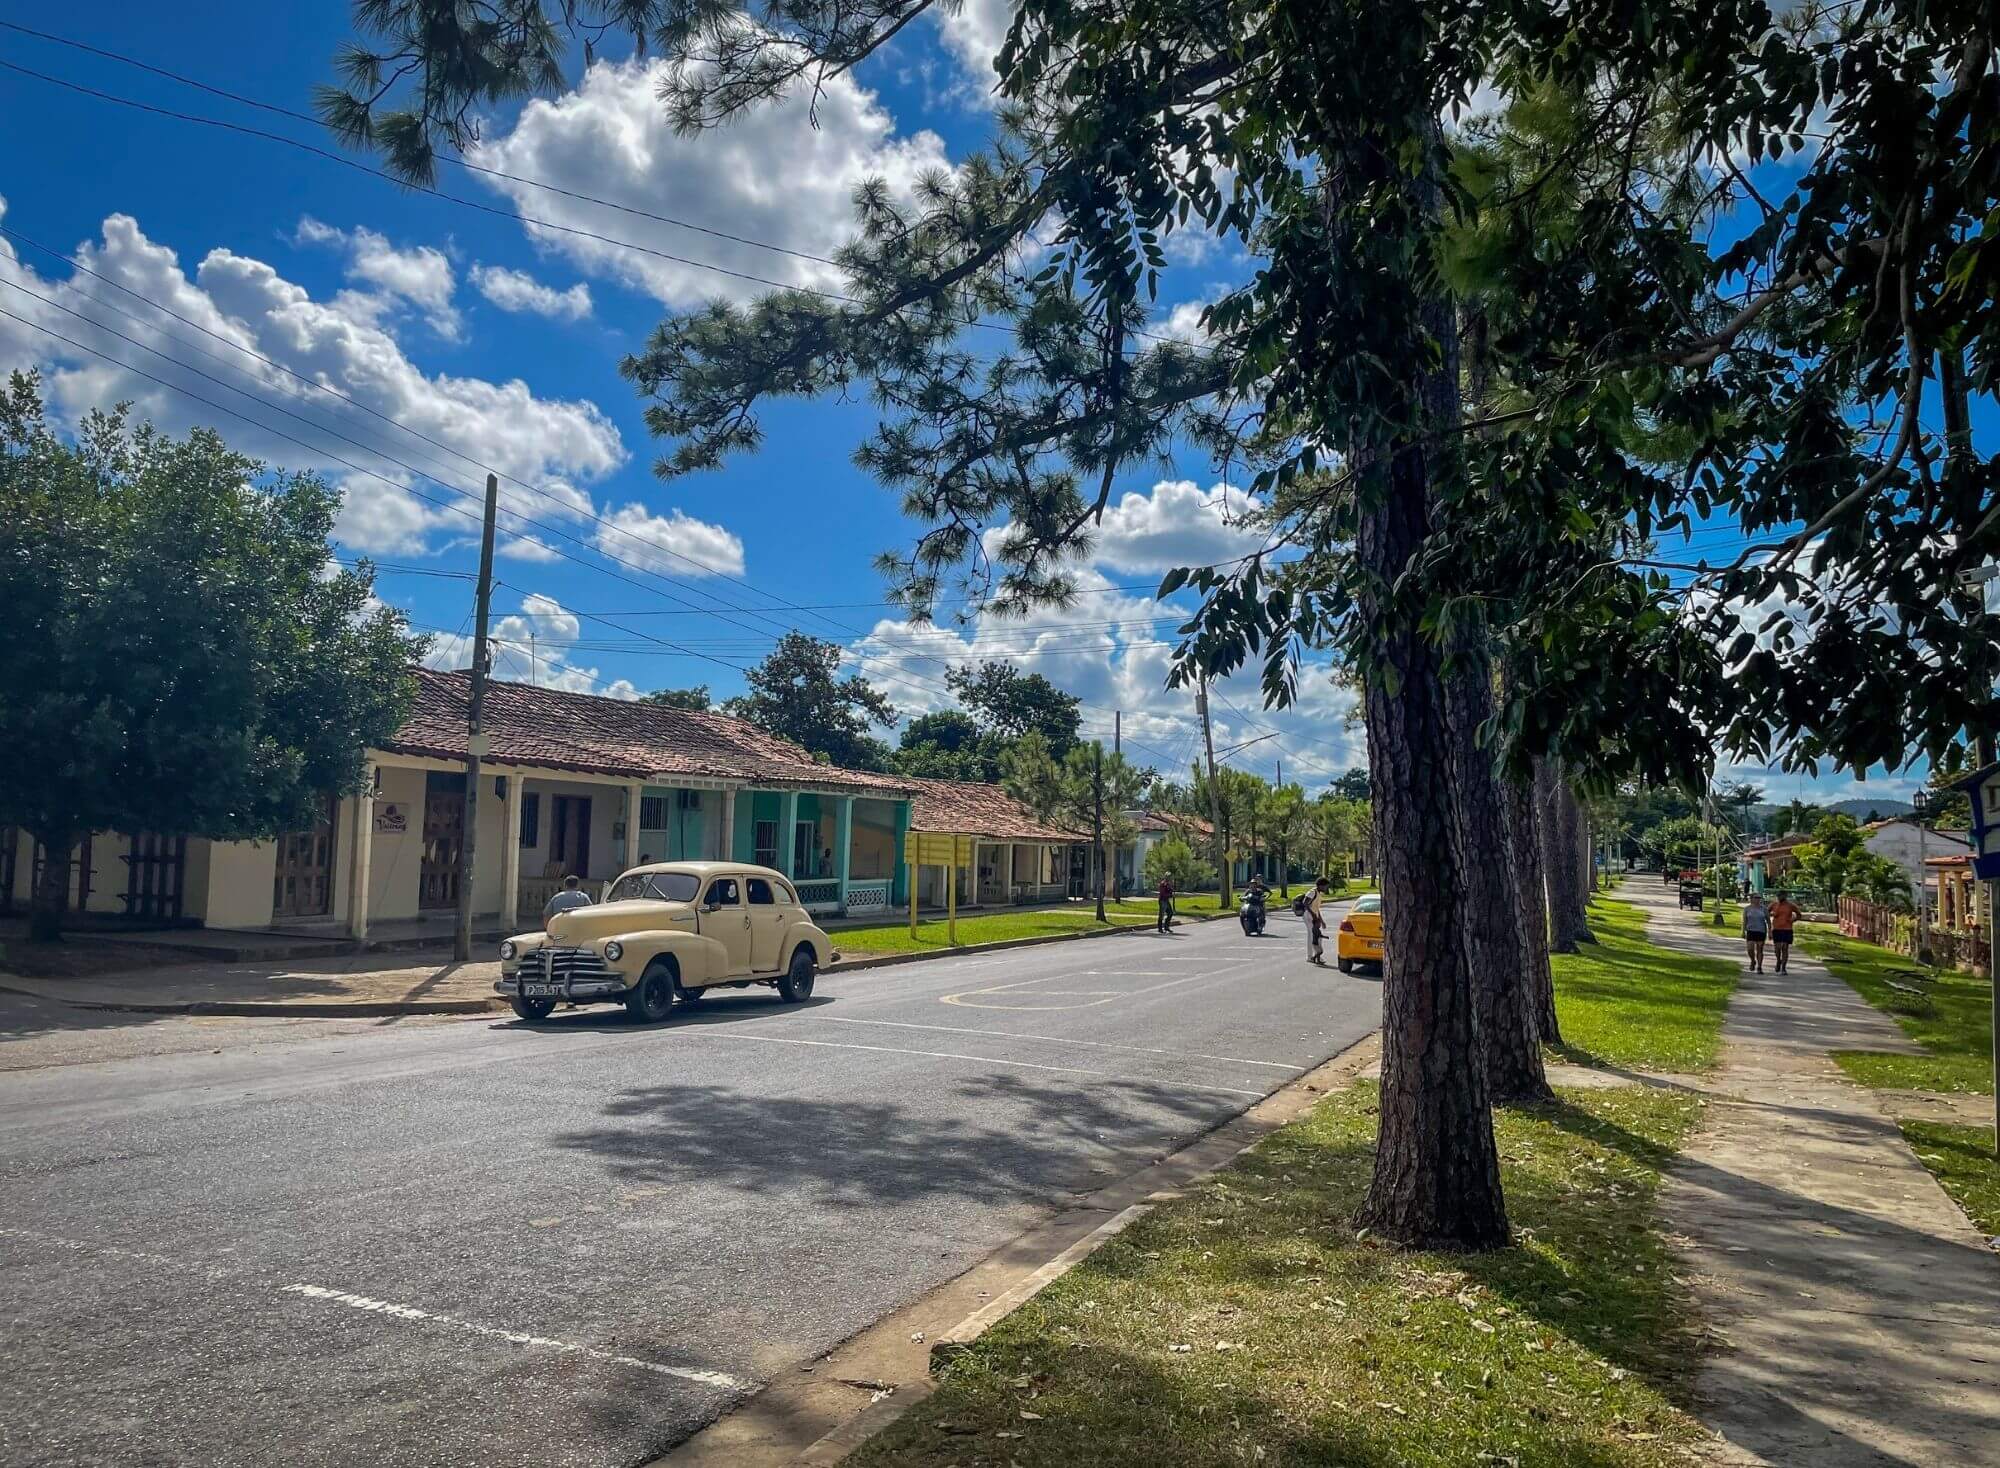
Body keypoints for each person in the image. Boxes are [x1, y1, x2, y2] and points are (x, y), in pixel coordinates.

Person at [1767, 890, 1802, 972]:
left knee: (1785, 947)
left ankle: (1783, 967)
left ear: (1785, 896)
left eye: (1781, 896)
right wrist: (1771, 915)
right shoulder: (1774, 904)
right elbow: (1766, 912)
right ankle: (1778, 960)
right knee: (1777, 948)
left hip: (1787, 928)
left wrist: (1793, 920)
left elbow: (1799, 914)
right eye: (1778, 896)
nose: (1779, 897)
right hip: (1776, 928)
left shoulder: (1790, 905)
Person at [1741, 892, 1769, 973]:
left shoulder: (1763, 909)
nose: (1758, 899)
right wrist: (1743, 931)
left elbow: (1768, 920)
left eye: (1759, 898)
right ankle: (1753, 961)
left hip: (1761, 930)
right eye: (1756, 898)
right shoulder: (1747, 909)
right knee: (1750, 949)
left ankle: (1759, 967)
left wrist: (1770, 931)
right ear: (1752, 899)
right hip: (1750, 930)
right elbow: (1744, 921)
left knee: (1760, 949)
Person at [1305, 876, 1330, 966]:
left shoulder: (1319, 894)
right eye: (1325, 886)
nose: (1326, 888)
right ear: (1320, 885)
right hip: (1308, 915)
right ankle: (1309, 956)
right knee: (1311, 935)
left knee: (1318, 935)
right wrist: (1312, 914)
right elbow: (1305, 903)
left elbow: (1317, 908)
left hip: (1314, 916)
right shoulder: (1312, 892)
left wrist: (1321, 921)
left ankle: (1317, 954)